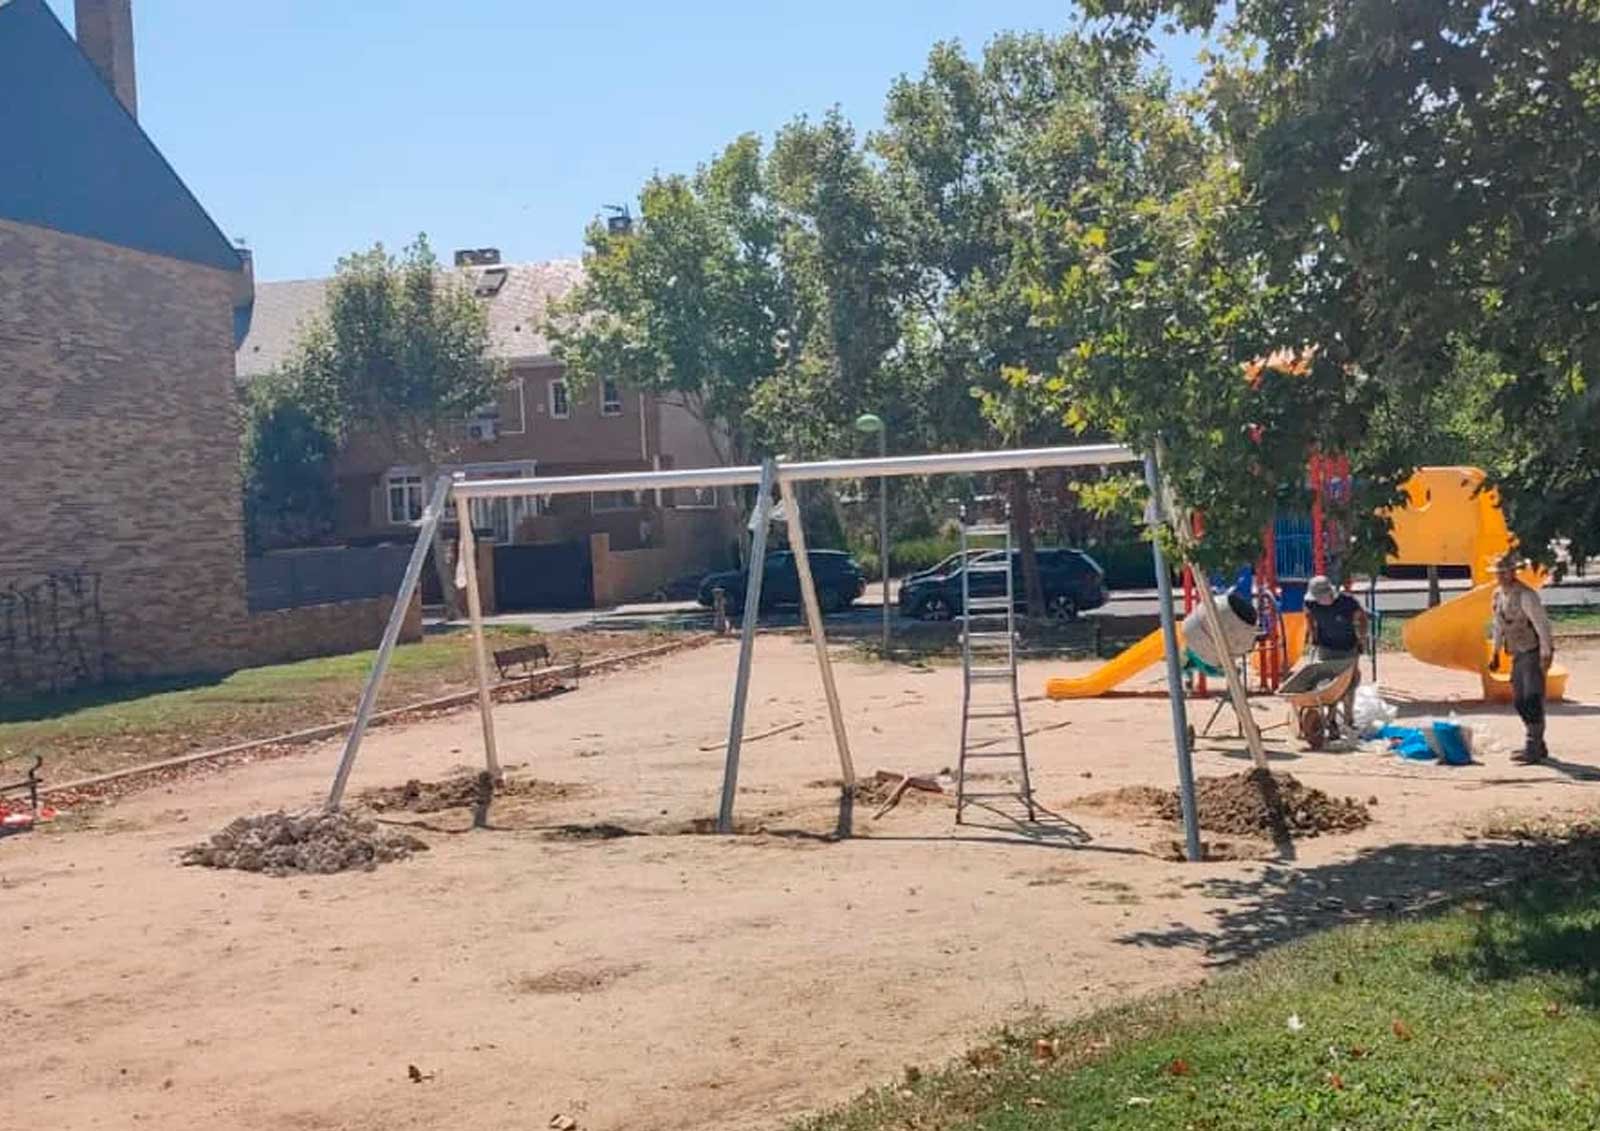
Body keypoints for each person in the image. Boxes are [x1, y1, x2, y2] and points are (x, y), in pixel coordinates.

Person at [1489, 553, 1554, 763]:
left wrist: (1546, 652)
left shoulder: (1527, 595)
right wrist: (1495, 651)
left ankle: (1533, 745)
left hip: (1532, 650)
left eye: (1504, 572)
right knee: (1519, 700)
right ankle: (1537, 744)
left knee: (1531, 698)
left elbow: (1542, 625)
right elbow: (1498, 625)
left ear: (1513, 572)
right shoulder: (1498, 595)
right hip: (1517, 651)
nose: (1501, 576)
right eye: (1498, 572)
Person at [1304, 575, 1369, 729]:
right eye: (1317, 597)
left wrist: (1362, 639)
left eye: (1323, 596)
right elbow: (1308, 616)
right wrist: (1313, 634)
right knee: (1329, 685)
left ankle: (1348, 720)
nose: (1320, 600)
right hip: (1326, 648)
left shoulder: (1347, 603)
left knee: (1349, 684)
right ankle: (1331, 719)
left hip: (1348, 647)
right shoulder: (1311, 604)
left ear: (1330, 593)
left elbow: (1363, 619)